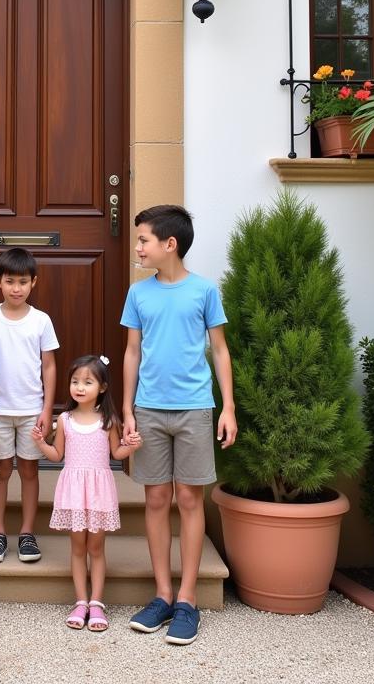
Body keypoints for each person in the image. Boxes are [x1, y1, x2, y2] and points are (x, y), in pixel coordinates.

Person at [120, 204, 237, 646]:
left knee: (189, 498)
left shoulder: (204, 291)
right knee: (155, 499)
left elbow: (220, 351)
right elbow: (132, 352)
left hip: (193, 408)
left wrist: (228, 408)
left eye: (143, 240)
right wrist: (128, 408)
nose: (138, 247)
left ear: (170, 244)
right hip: (149, 408)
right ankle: (163, 595)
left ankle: (187, 600)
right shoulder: (139, 294)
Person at [32, 354, 140, 632]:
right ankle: (80, 600)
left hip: (99, 492)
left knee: (96, 547)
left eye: (87, 382)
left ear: (102, 387)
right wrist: (40, 444)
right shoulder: (65, 419)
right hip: (74, 490)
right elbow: (57, 455)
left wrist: (132, 446)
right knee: (78, 547)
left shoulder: (108, 420)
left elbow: (117, 453)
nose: (79, 387)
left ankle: (97, 603)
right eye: (75, 381)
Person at [0, 247, 59, 564]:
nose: (16, 288)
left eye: (22, 282)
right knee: (0, 472)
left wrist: (47, 408)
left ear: (33, 283)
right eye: (10, 281)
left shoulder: (41, 321)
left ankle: (26, 533)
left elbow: (49, 366)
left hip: (31, 411)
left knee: (28, 469)